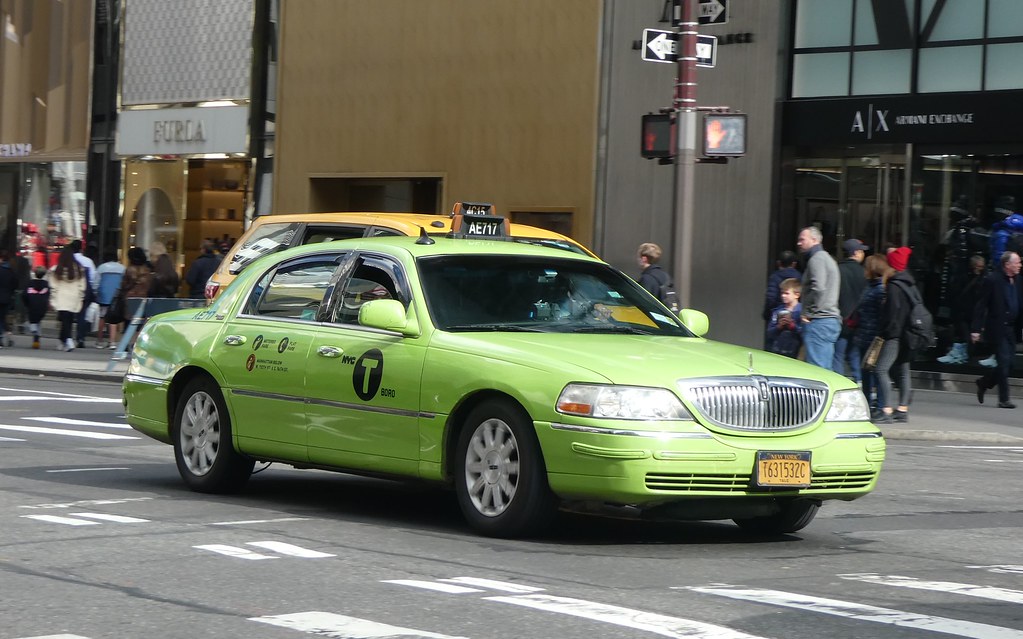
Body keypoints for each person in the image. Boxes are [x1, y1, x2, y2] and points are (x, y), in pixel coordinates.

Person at [873, 255, 924, 424]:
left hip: (895, 335)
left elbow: (892, 315)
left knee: (880, 369)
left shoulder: (894, 286)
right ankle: (902, 409)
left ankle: (885, 409)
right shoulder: (910, 284)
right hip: (909, 334)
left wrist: (886, 333)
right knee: (903, 371)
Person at [971, 251, 1023, 409]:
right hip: (997, 327)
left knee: (1011, 364)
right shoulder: (993, 280)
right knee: (1003, 361)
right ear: (1007, 265)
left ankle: (984, 382)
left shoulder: (1019, 280)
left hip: (1011, 328)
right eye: (1017, 262)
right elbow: (981, 305)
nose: (1020, 265)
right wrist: (976, 329)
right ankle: (1004, 399)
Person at [796, 226, 841, 369]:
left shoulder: (817, 259)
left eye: (802, 239)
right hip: (827, 320)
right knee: (824, 369)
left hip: (819, 321)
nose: (799, 243)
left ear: (814, 240)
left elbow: (819, 288)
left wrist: (808, 312)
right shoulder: (826, 258)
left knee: (817, 370)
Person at [856, 254, 892, 416]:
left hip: (874, 337)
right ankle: (868, 404)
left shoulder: (879, 289)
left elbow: (882, 313)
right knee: (866, 371)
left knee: (875, 372)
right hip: (865, 334)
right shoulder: (871, 286)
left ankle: (880, 406)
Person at [937, 254, 985, 365]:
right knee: (963, 334)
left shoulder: (983, 280)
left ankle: (964, 355)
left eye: (981, 267)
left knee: (967, 336)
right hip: (963, 312)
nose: (979, 269)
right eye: (977, 266)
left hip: (972, 313)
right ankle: (962, 354)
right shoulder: (964, 278)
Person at [833, 238, 869, 381]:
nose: (863, 254)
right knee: (855, 355)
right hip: (859, 320)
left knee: (838, 356)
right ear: (856, 253)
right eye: (861, 251)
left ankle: (838, 383)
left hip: (841, 319)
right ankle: (859, 382)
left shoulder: (838, 270)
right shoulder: (864, 272)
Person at [49, 246, 87, 352]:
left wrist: (53, 298)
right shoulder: (79, 269)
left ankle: (68, 340)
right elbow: (82, 286)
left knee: (64, 319)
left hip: (61, 297)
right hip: (73, 296)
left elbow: (53, 286)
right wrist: (81, 297)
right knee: (68, 320)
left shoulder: (57, 269)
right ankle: (63, 340)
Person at [94, 249, 126, 349]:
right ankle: (112, 342)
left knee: (102, 317)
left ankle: (99, 341)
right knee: (113, 318)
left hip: (104, 296)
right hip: (116, 296)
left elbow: (96, 283)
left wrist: (96, 293)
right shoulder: (122, 268)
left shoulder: (101, 268)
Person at [765, 278, 802, 358]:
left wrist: (793, 326)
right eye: (782, 293)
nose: (783, 296)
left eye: (787, 293)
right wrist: (779, 327)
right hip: (777, 351)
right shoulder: (777, 311)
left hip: (796, 352)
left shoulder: (802, 312)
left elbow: (805, 333)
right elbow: (769, 333)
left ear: (797, 295)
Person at [762, 250, 801, 322]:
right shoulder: (800, 277)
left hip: (778, 314)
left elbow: (771, 298)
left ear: (778, 263)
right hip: (796, 313)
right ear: (794, 264)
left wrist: (767, 315)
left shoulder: (774, 277)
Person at [635, 242, 675, 308]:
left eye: (638, 257)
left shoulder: (647, 278)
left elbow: (643, 304)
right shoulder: (665, 276)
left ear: (644, 259)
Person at [22, 266, 50, 349]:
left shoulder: (30, 283)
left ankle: (34, 330)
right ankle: (36, 339)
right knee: (38, 321)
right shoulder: (46, 284)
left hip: (31, 305)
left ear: (34, 273)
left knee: (32, 321)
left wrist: (26, 303)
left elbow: (24, 295)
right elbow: (48, 294)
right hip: (42, 306)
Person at [0, 250, 18, 347]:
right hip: (7, 298)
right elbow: (15, 285)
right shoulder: (11, 272)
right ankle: (9, 336)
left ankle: (1, 339)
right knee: (2, 318)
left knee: (1, 319)